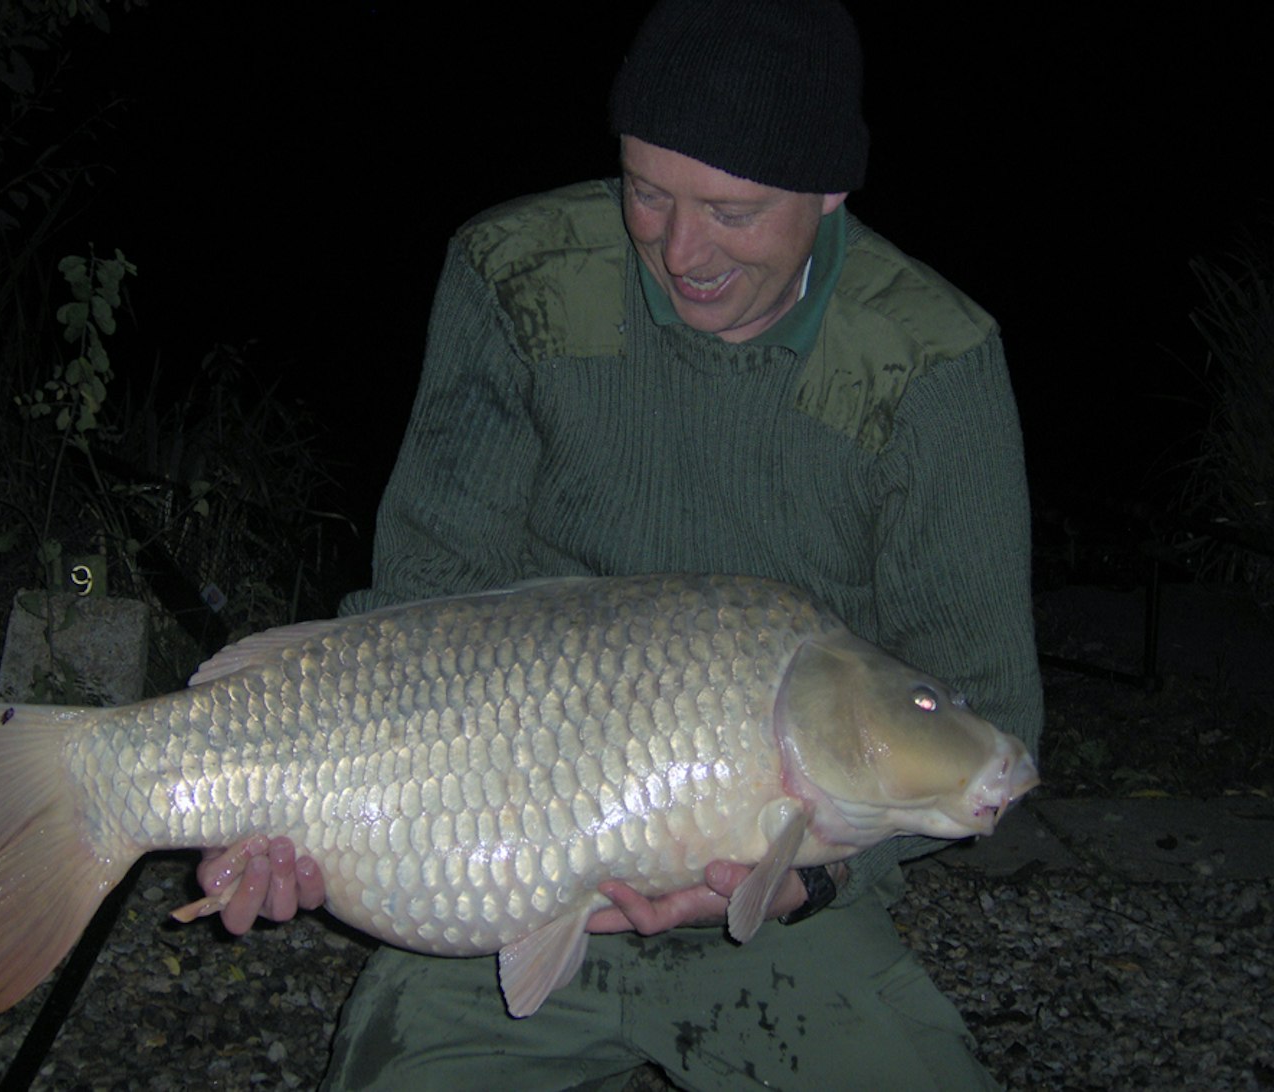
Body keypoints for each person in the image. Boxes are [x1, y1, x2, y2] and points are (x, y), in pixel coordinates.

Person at [197, 0, 1043, 1087]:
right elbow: (427, 601)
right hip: (494, 861)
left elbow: (985, 713)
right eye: (646, 191)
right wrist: (319, 821)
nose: (680, 250)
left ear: (831, 192)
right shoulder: (519, 277)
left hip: (785, 904)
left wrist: (806, 883)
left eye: (730, 211)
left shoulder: (930, 362)